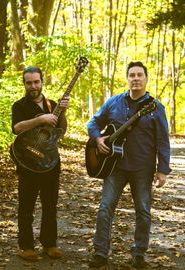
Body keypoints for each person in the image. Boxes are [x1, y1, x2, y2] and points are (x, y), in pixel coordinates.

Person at [87, 61, 171, 269]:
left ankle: (139, 253)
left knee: (143, 211)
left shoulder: (155, 107)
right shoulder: (114, 102)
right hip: (114, 166)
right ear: (127, 78)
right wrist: (98, 139)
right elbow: (93, 123)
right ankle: (100, 253)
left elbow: (163, 141)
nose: (135, 78)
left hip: (142, 168)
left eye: (139, 75)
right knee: (105, 208)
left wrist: (162, 170)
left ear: (145, 79)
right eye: (132, 75)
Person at [11, 66, 69, 261]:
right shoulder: (19, 106)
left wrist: (63, 113)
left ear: (42, 81)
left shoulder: (53, 105)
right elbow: (17, 128)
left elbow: (61, 131)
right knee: (26, 206)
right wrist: (40, 119)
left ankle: (49, 244)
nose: (33, 86)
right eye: (29, 82)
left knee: (50, 205)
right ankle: (26, 246)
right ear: (24, 84)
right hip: (27, 162)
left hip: (50, 162)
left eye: (36, 81)